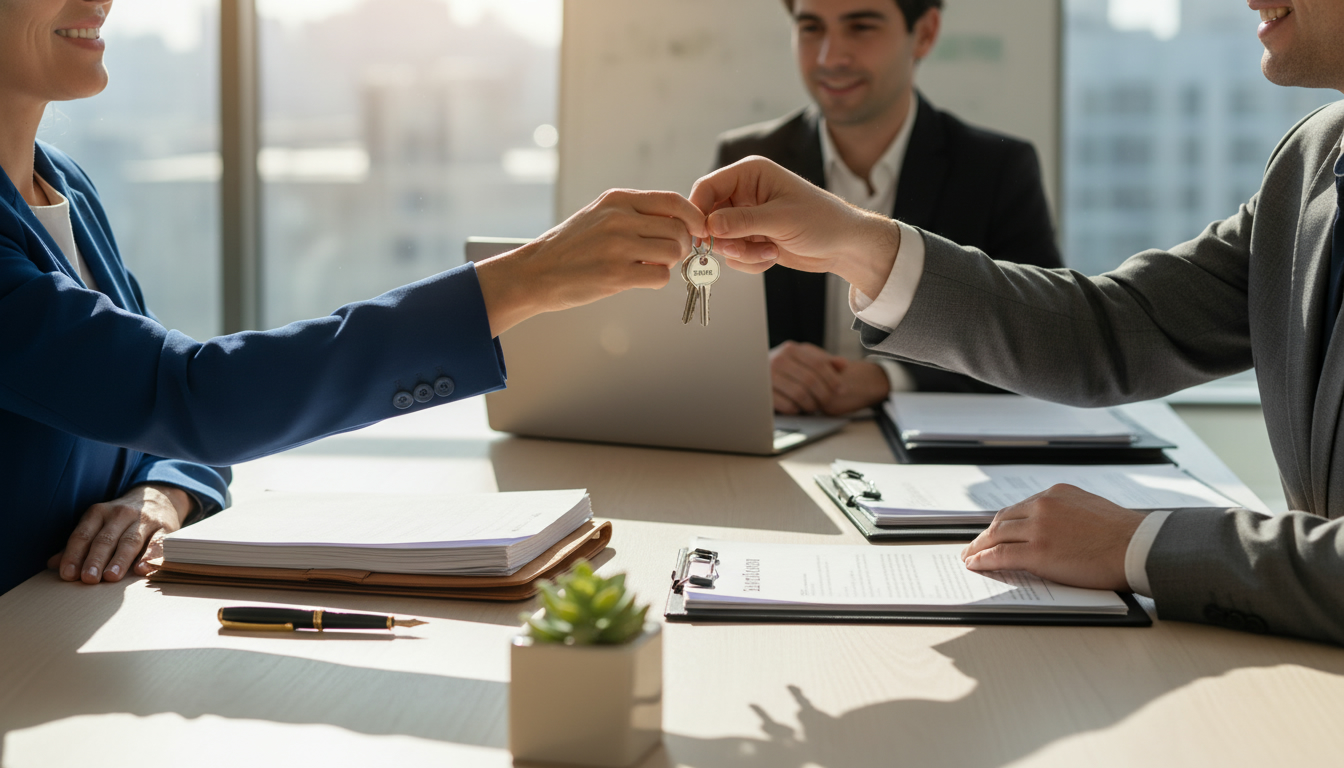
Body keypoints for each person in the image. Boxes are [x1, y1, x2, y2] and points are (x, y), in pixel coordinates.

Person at [690, 3, 1344, 645]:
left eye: (860, 25)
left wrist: (1141, 541)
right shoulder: (1310, 161)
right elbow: (1109, 332)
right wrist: (865, 247)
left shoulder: (994, 164)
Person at [0, 0, 706, 596]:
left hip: (82, 633)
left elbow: (156, 416)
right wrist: (525, 279)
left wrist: (165, 492)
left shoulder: (67, 188)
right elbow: (196, 399)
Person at [713, 0, 1060, 416]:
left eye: (860, 27)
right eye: (811, 28)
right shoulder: (749, 162)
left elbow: (1041, 346)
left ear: (926, 33)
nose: (830, 57)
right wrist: (756, 371)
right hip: (788, 446)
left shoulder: (996, 170)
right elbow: (706, 329)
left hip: (933, 465)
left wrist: (888, 378)